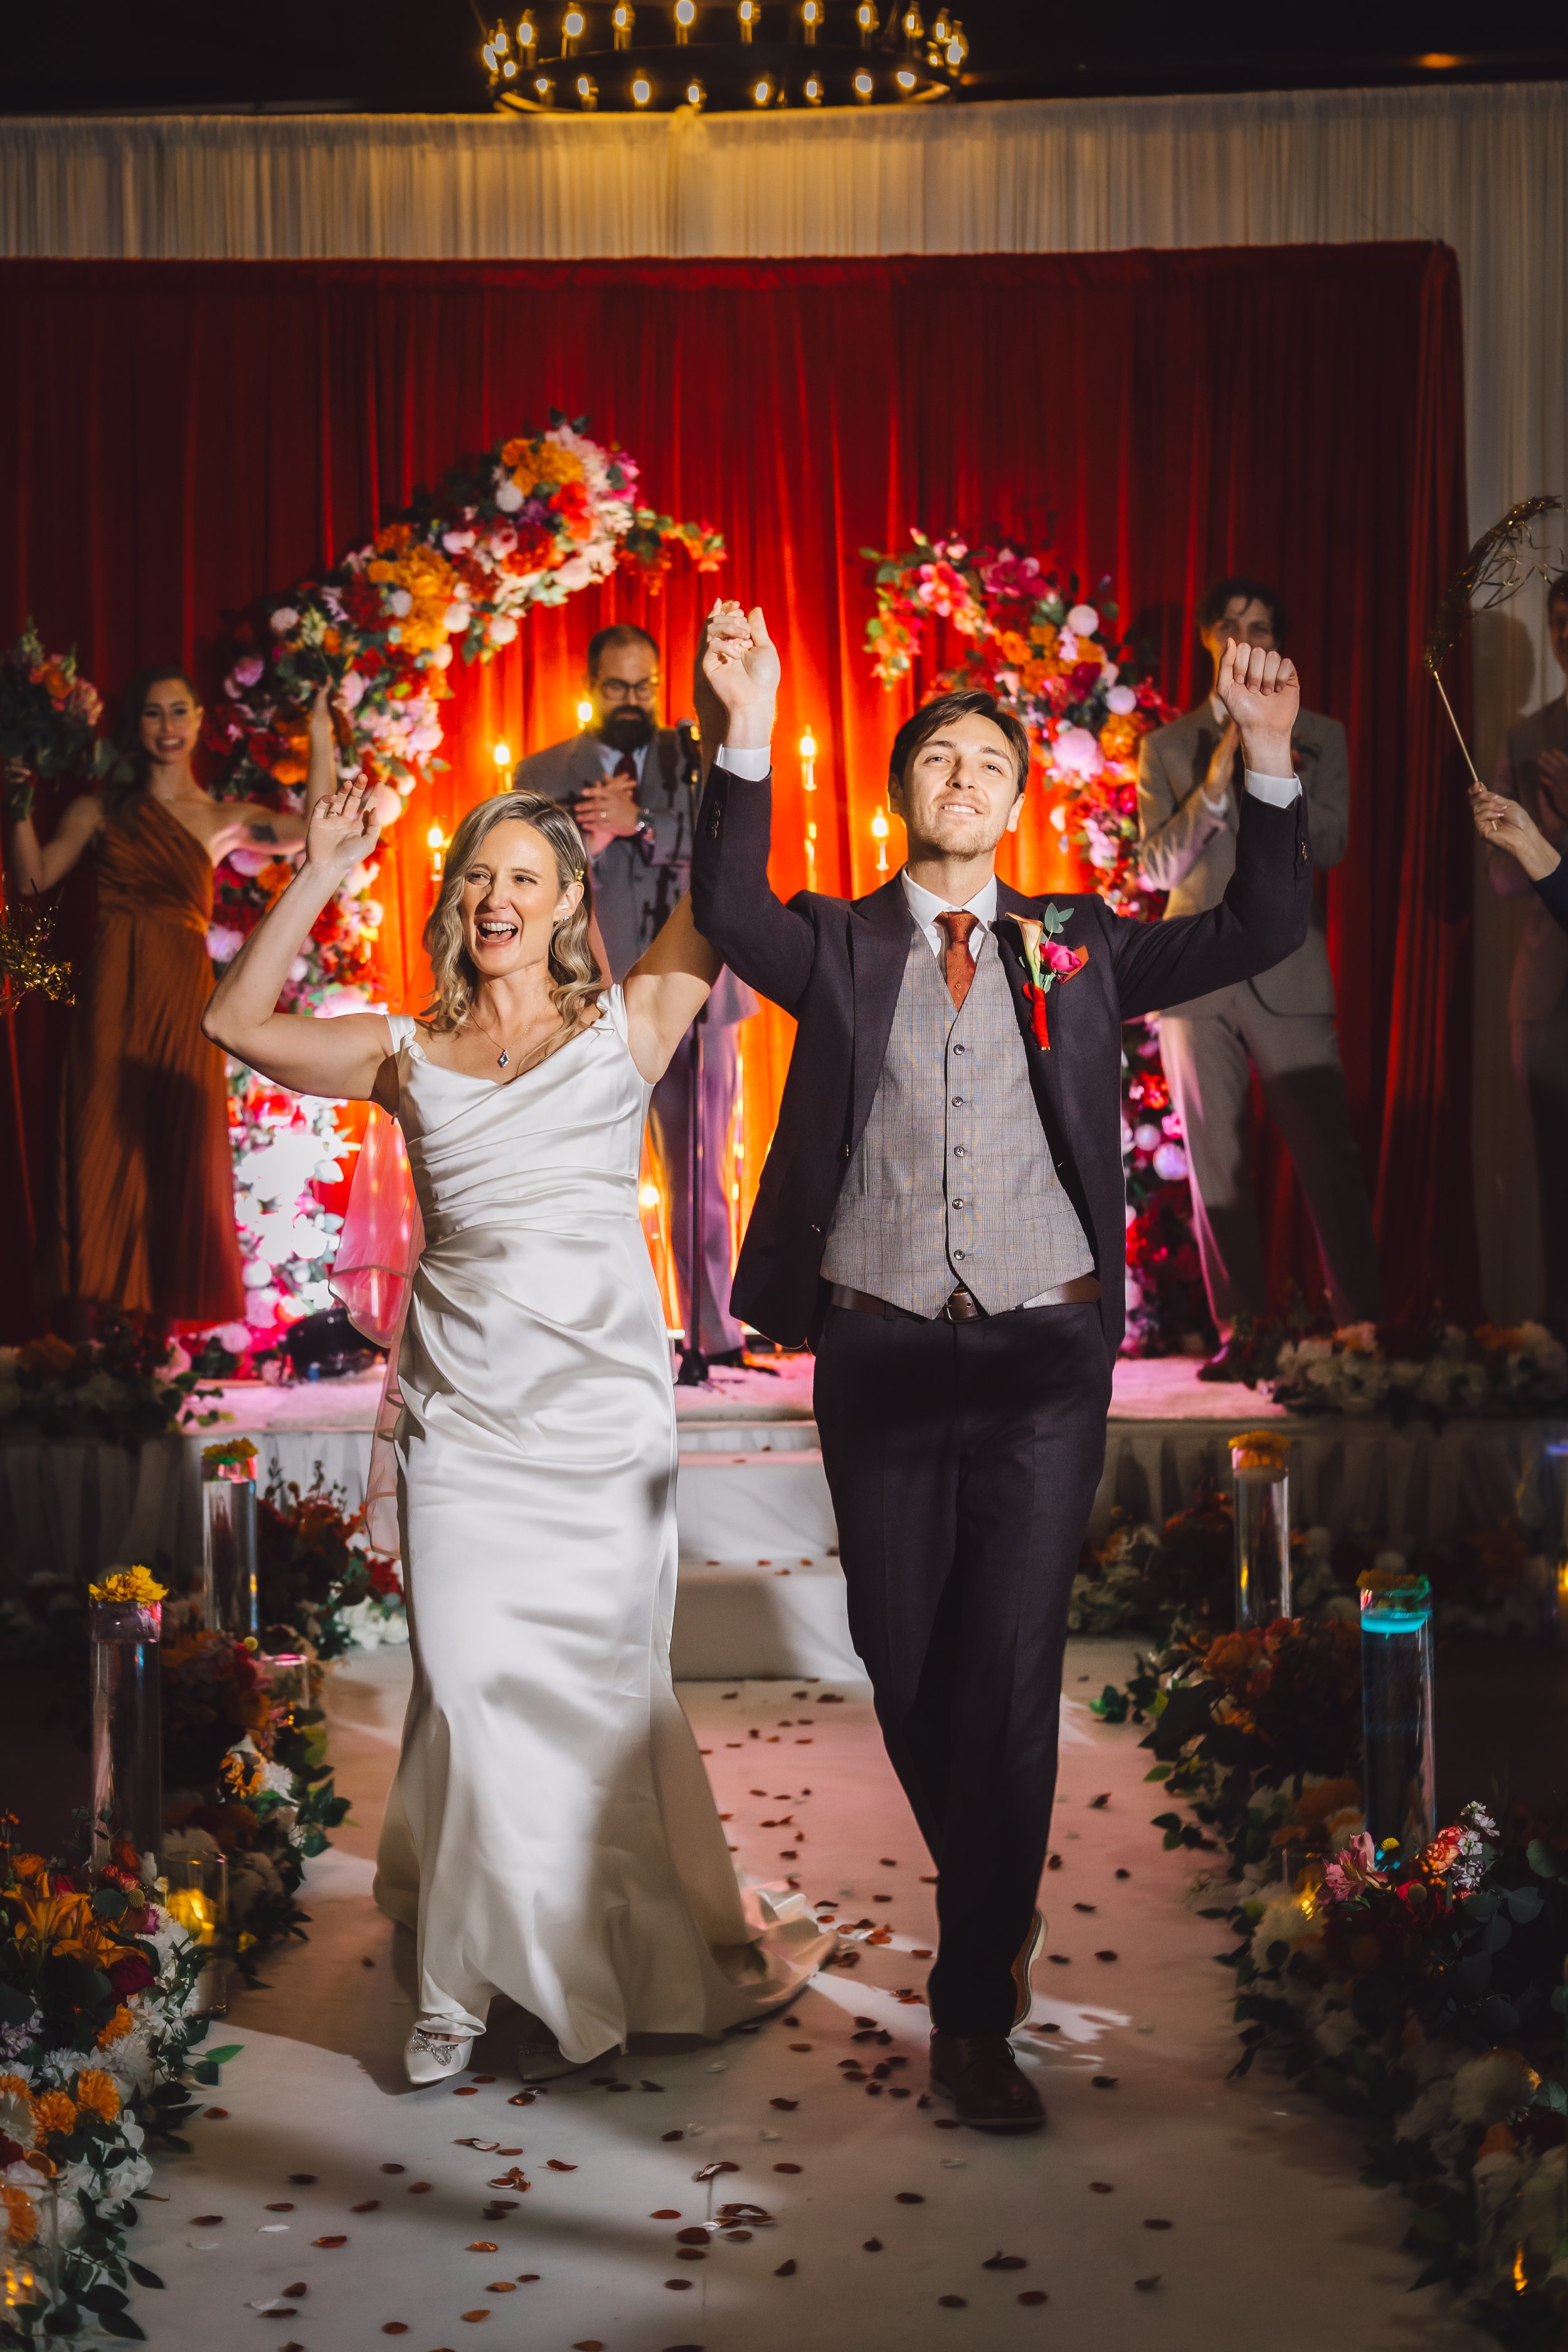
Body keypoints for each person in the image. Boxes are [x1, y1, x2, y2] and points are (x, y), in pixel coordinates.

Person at [691, 599, 1309, 2131]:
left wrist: (1277, 764)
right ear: (903, 790)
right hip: (881, 1350)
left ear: (1021, 800)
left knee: (1015, 1673)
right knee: (908, 1663)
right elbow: (720, 891)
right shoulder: (835, 938)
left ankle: (972, 2010)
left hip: (1042, 1351)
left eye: (990, 762)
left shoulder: (1075, 939)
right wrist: (748, 732)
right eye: (940, 759)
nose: (965, 778)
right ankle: (993, 1897)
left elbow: (1259, 929)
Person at [202, 776, 830, 2086]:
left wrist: (743, 736)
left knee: (602, 1707)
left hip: (603, 1433)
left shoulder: (628, 1030)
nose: (494, 898)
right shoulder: (402, 1052)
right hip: (463, 1425)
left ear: (563, 911)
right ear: (455, 904)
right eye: (476, 879)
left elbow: (725, 892)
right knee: (477, 1687)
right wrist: (314, 873)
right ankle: (458, 1989)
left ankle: (602, 1947)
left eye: (523, 881)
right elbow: (233, 1020)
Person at [4, 667, 315, 1330]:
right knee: (102, 1133)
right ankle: (98, 1324)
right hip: (110, 986)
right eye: (153, 713)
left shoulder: (224, 819)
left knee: (175, 1143)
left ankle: (160, 1333)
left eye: (179, 711)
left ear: (200, 719)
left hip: (182, 995)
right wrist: (18, 805)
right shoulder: (98, 808)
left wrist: (319, 731)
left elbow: (317, 838)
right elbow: (32, 879)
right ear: (134, 724)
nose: (168, 727)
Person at [1136, 577, 1381, 1362]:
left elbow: (1334, 845)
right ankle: (1242, 1333)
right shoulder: (1169, 747)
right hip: (1196, 977)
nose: (1248, 636)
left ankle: (1360, 1329)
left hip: (1291, 972)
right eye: (1234, 625)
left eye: (1263, 627)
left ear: (1276, 644)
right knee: (1218, 1171)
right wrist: (1211, 789)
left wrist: (1275, 762)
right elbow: (1154, 868)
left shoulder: (1323, 734)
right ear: (1211, 639)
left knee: (1328, 1160)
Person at [514, 623, 757, 1366]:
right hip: (583, 1006)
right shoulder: (543, 768)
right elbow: (515, 871)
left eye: (644, 686)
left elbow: (734, 847)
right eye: (617, 687)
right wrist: (579, 849)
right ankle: (581, 1339)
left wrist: (642, 822)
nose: (632, 701)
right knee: (580, 1183)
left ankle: (714, 1339)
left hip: (693, 992)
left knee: (699, 1176)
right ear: (590, 687)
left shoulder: (697, 757)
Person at [1476, 569, 1568, 1326]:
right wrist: (1522, 836)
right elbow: (1504, 883)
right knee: (1553, 1181)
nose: (1567, 632)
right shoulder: (1527, 734)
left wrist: (1558, 824)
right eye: (1559, 619)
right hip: (1543, 996)